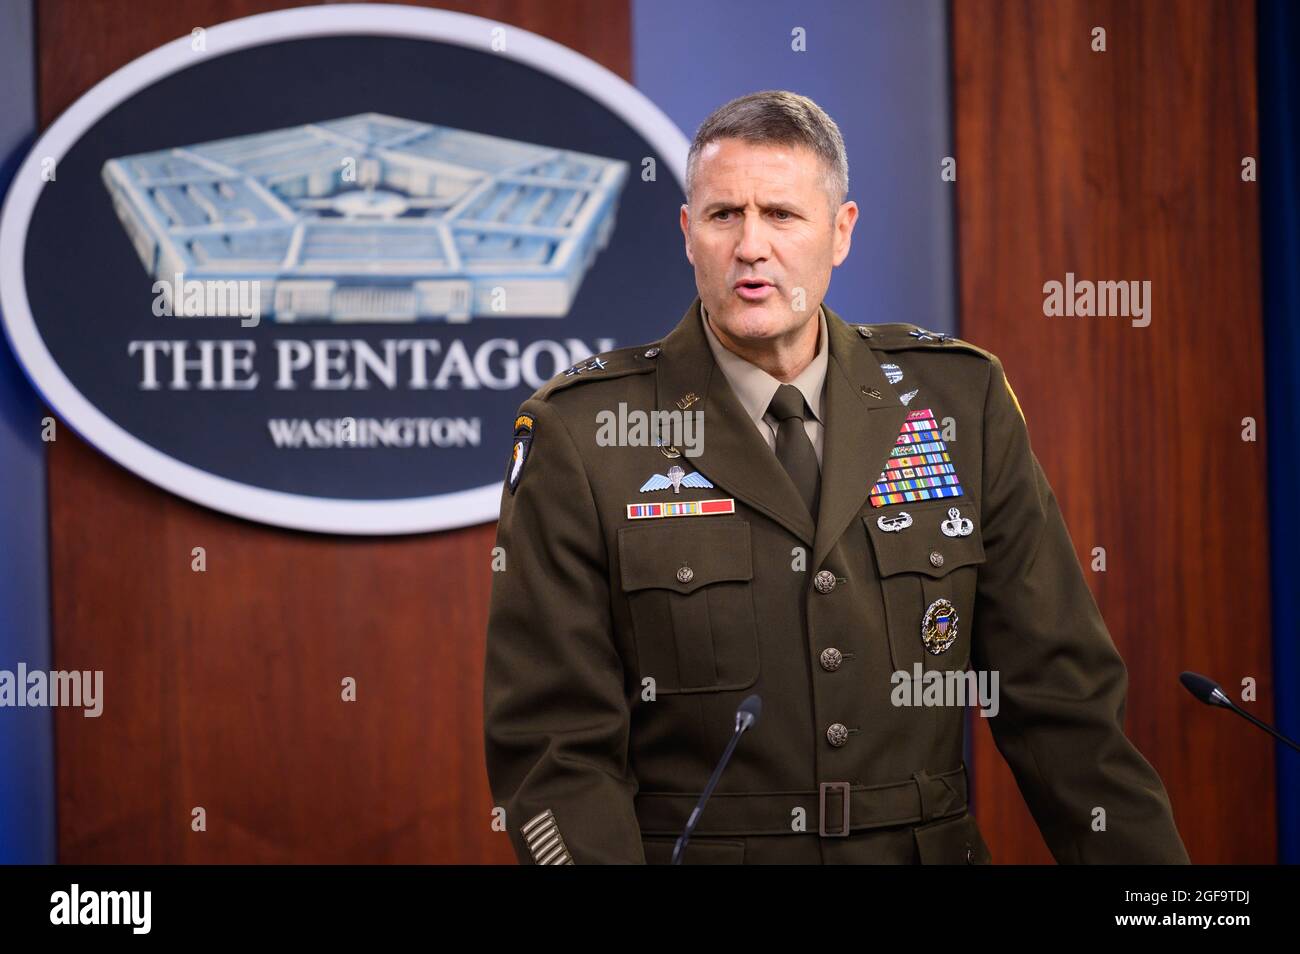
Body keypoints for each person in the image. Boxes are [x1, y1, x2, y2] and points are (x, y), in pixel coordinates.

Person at [482, 90, 1189, 864]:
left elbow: (1063, 704)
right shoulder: (583, 433)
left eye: (782, 215)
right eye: (724, 216)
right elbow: (553, 753)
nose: (751, 246)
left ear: (840, 232)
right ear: (688, 235)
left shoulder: (960, 399)